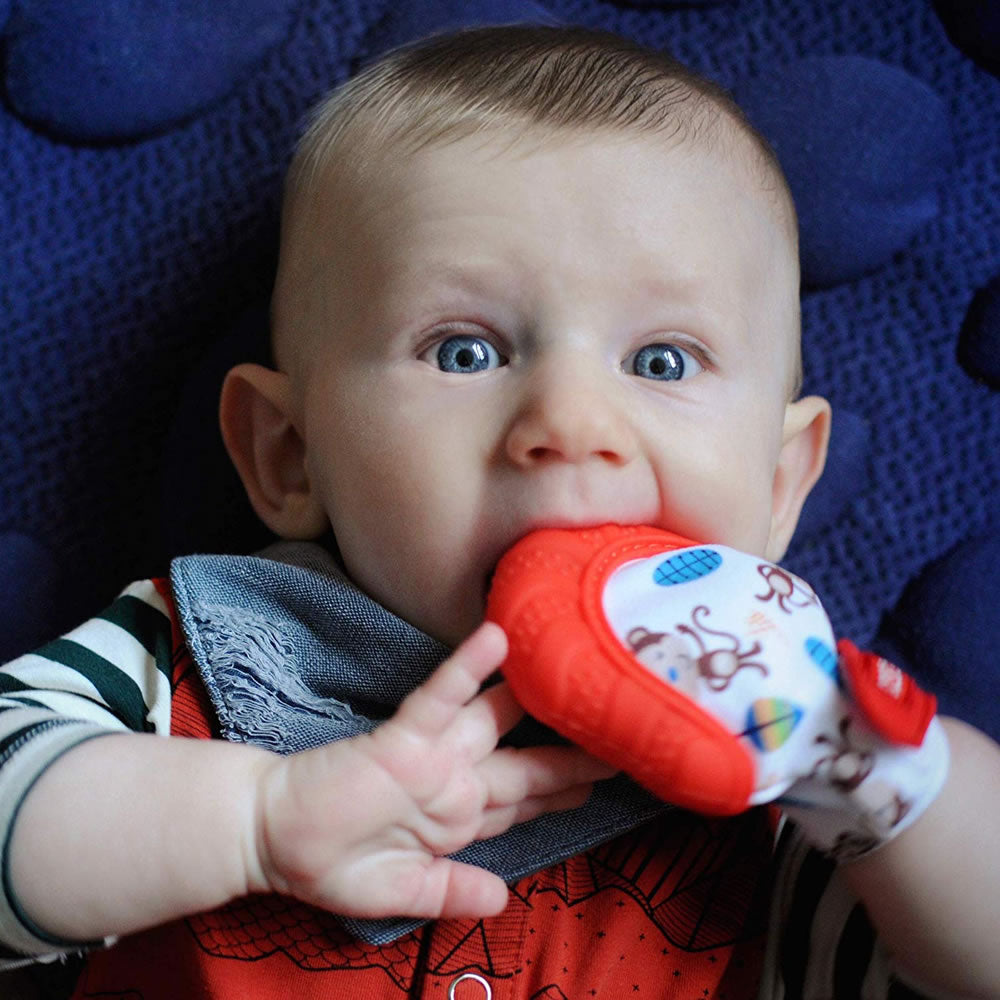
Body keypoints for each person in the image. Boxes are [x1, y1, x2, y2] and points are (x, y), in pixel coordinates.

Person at [1, 24, 998, 1000]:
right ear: (290, 454)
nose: (567, 423)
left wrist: (885, 779)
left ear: (779, 486)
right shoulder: (203, 653)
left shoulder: (783, 737)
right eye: (463, 351)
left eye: (661, 360)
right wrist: (253, 820)